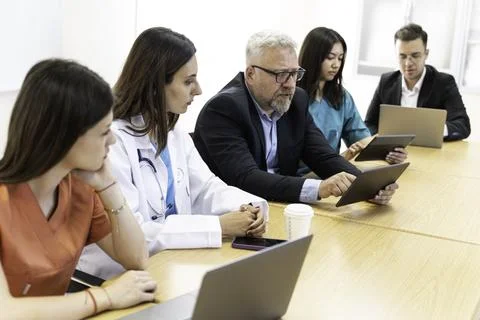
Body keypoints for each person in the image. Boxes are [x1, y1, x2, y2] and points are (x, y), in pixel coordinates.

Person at [78, 27, 268, 280]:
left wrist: (248, 208)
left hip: (169, 265)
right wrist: (218, 226)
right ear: (156, 85)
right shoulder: (112, 142)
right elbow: (139, 232)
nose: (198, 90)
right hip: (112, 277)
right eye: (188, 81)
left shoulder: (172, 130)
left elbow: (206, 188)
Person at [0, 59, 157, 319]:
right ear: (63, 136)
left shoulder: (80, 189)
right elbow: (5, 312)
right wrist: (106, 297)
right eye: (104, 131)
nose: (113, 140)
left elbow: (136, 259)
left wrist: (108, 186)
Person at [193, 30, 398, 204]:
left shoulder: (296, 100)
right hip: (237, 211)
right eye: (281, 74)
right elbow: (246, 178)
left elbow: (322, 155)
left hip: (281, 205)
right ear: (251, 74)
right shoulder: (223, 109)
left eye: (294, 73)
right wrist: (319, 188)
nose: (290, 84)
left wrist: (366, 186)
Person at [298, 27, 407, 163]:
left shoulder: (341, 97)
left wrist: (389, 152)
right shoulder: (293, 97)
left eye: (340, 58)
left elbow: (361, 138)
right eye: (330, 57)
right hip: (299, 177)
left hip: (331, 173)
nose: (336, 65)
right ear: (313, 57)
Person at [364, 23, 470, 141]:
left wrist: (432, 131)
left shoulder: (443, 83)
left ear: (426, 54)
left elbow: (463, 125)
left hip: (429, 153)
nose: (408, 63)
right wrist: (384, 141)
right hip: (392, 153)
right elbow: (369, 124)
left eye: (415, 56)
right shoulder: (387, 81)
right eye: (402, 56)